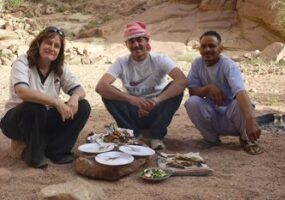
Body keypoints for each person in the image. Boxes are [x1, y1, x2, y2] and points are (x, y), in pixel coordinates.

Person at [0, 26, 91, 168]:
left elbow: (80, 90)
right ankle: (34, 156)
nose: (52, 48)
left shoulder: (59, 68)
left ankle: (57, 151)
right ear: (39, 43)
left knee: (83, 106)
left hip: (43, 117)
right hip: (17, 121)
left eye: (56, 46)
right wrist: (56, 102)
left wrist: (74, 98)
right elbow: (22, 91)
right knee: (35, 106)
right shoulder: (22, 62)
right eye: (48, 43)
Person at [95, 21, 187, 150]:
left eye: (139, 40)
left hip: (157, 110)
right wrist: (132, 99)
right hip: (133, 111)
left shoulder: (160, 59)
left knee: (176, 89)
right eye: (131, 41)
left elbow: (181, 81)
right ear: (126, 44)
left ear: (147, 41)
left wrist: (155, 101)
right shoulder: (121, 62)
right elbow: (101, 87)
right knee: (108, 94)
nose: (136, 45)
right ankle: (132, 134)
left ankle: (156, 136)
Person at [184, 30, 263, 155]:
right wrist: (208, 88)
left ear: (220, 48)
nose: (207, 50)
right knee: (192, 102)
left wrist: (251, 120)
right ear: (199, 49)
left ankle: (246, 139)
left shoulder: (228, 65)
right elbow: (192, 91)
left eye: (212, 46)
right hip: (212, 112)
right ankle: (211, 139)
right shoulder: (197, 63)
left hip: (231, 114)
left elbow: (240, 92)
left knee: (242, 104)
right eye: (204, 46)